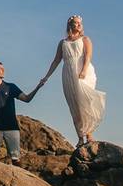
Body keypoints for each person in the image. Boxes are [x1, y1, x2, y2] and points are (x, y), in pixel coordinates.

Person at [40, 15, 106, 147]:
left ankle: (89, 134)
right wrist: (47, 76)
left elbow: (88, 56)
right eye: (76, 23)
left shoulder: (85, 39)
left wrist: (84, 70)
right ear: (70, 25)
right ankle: (81, 137)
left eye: (80, 23)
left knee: (86, 102)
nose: (79, 25)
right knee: (74, 105)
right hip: (68, 74)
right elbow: (56, 61)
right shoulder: (63, 43)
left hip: (83, 73)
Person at [0, 62, 44, 166]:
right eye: (0, 68)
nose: (3, 70)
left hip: (12, 127)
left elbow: (27, 99)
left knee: (16, 159)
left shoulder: (11, 87)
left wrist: (38, 87)